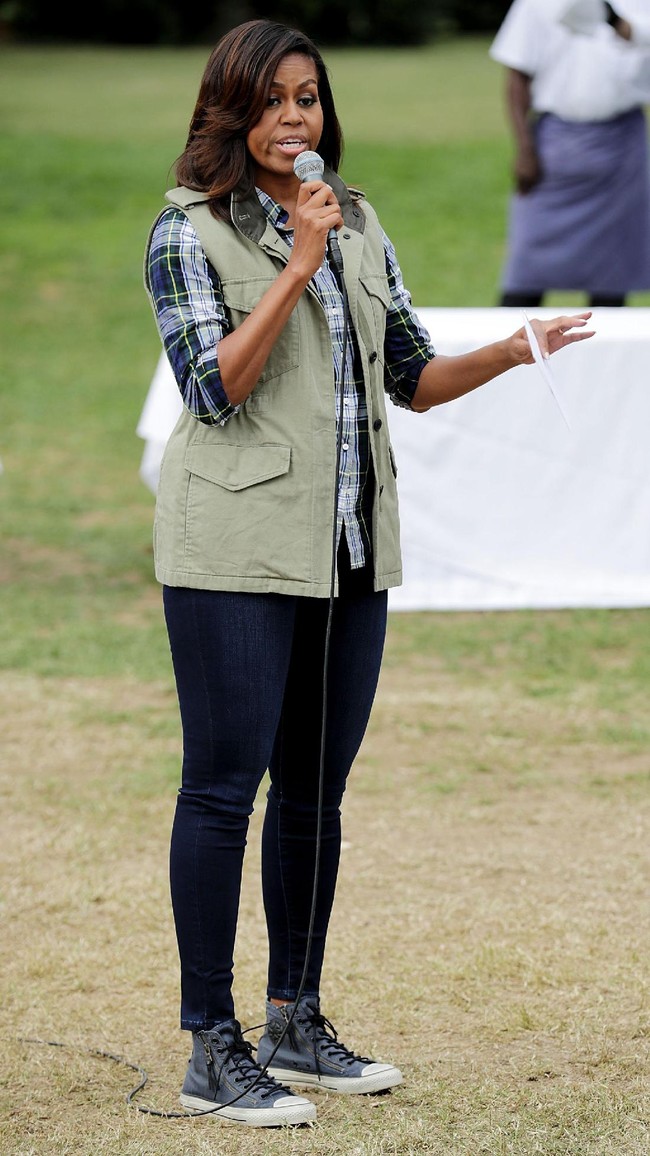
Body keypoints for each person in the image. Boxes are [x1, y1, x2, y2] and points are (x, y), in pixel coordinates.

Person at [143, 17, 594, 1128]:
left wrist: (513, 347)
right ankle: (213, 1044)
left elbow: (411, 375)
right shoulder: (184, 234)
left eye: (308, 96)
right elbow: (214, 388)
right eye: (272, 99)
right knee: (222, 788)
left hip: (344, 548)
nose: (295, 118)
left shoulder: (360, 224)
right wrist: (295, 261)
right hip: (235, 549)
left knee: (313, 792)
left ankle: (295, 1018)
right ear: (228, 111)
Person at [489, 0, 650, 307]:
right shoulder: (535, 4)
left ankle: (607, 353)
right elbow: (517, 76)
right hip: (556, 144)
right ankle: (510, 354)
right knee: (525, 276)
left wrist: (618, 22)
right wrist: (525, 150)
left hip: (622, 145)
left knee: (612, 278)